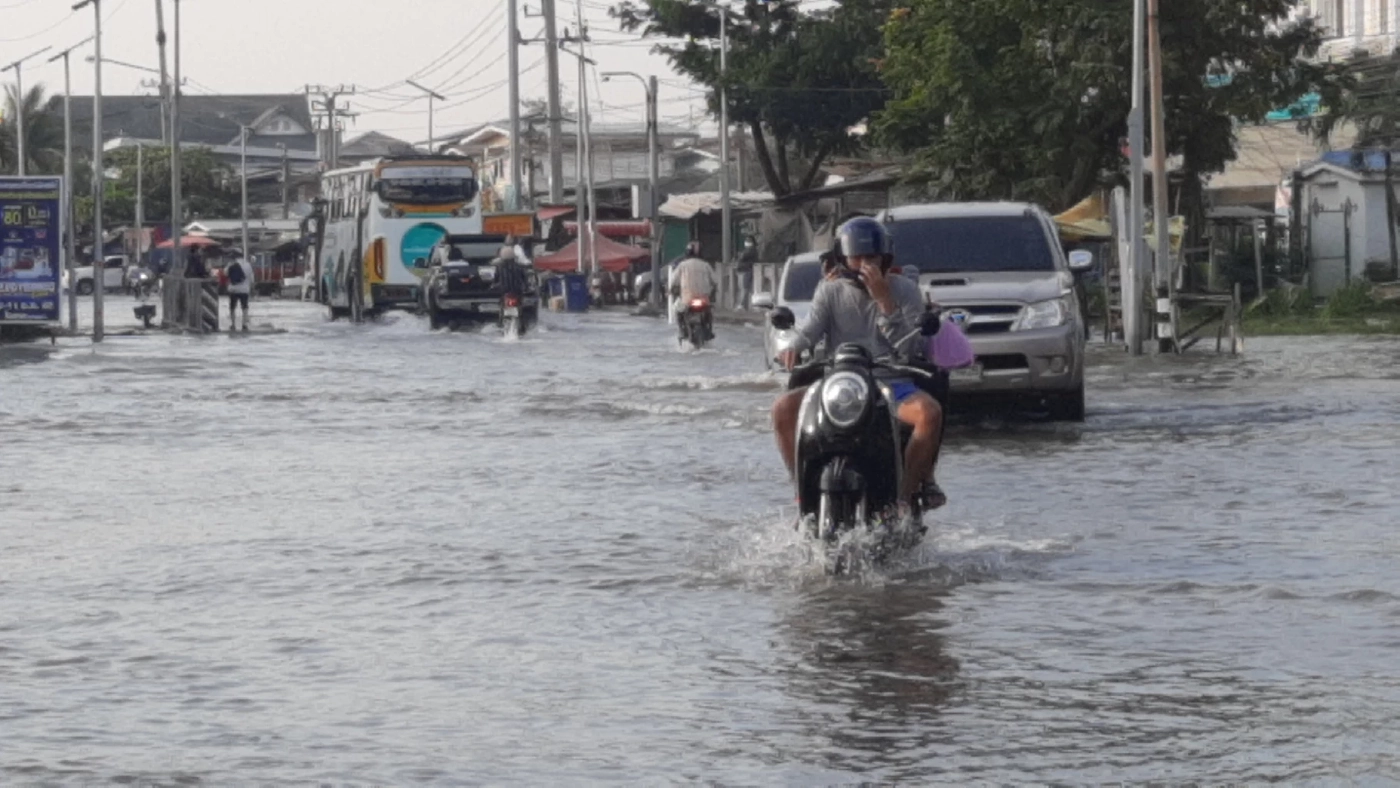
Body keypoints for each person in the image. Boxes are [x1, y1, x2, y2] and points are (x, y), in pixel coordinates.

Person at [772, 216, 945, 512]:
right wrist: (793, 347)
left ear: (885, 258)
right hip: (840, 383)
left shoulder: (905, 290)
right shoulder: (829, 290)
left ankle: (904, 497)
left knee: (929, 413)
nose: (864, 264)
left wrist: (884, 303)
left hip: (891, 383)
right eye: (857, 257)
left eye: (872, 257)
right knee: (782, 409)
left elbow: (910, 347)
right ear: (843, 258)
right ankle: (801, 489)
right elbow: (811, 329)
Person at [670, 242, 718, 341]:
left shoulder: (682, 265)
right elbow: (715, 281)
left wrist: (671, 290)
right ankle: (709, 331)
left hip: (687, 299)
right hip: (704, 299)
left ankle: (683, 332)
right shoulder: (706, 265)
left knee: (678, 312)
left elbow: (673, 281)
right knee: (709, 313)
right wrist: (713, 293)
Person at [225, 255, 254, 333]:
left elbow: (225, 274)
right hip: (244, 290)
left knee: (232, 307)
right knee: (244, 307)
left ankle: (233, 325)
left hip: (233, 289)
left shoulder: (231, 264)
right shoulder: (248, 265)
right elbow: (252, 279)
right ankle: (244, 325)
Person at [736, 235, 758, 310]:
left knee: (745, 288)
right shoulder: (748, 250)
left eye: (749, 241)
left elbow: (743, 257)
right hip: (744, 271)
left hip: (747, 270)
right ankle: (744, 305)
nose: (747, 242)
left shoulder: (751, 250)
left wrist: (740, 255)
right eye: (746, 240)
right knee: (744, 288)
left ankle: (742, 305)